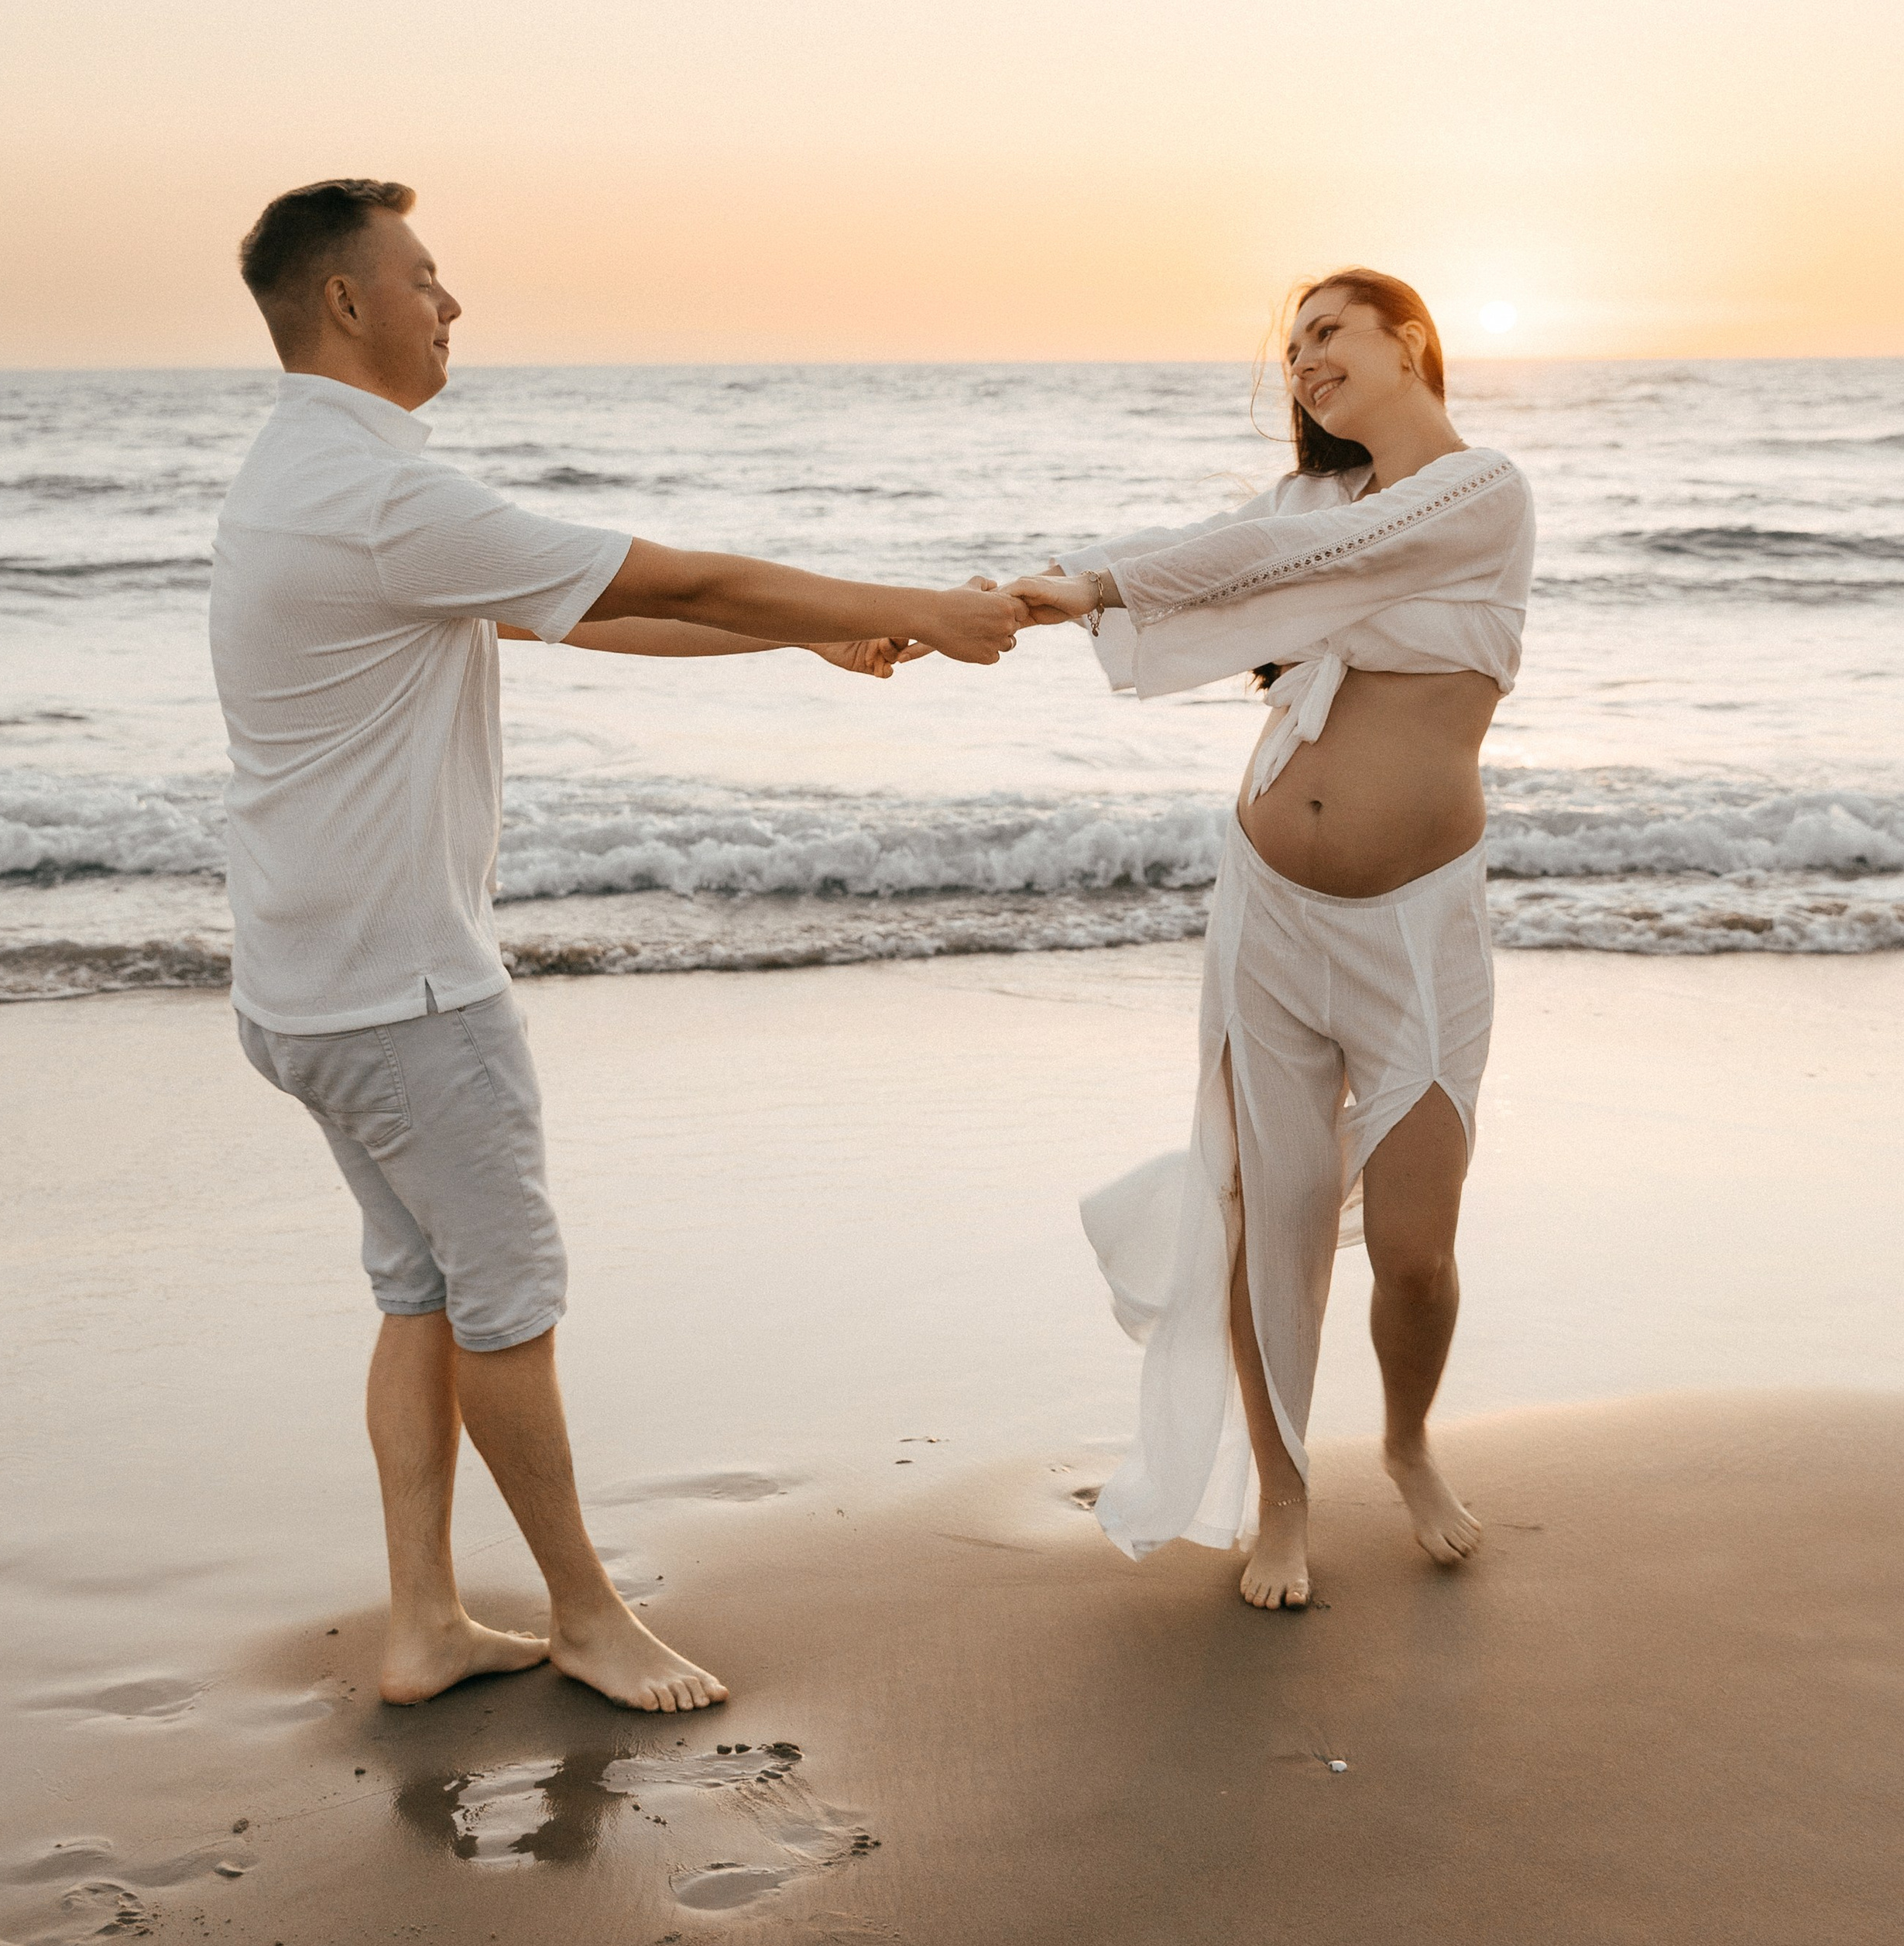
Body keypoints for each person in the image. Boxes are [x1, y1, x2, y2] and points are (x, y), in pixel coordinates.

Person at [211, 177, 1021, 1709]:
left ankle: (426, 1622)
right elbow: (677, 575)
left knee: (420, 1294)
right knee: (505, 1308)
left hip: (303, 989)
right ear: (346, 301)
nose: (451, 304)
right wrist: (924, 604)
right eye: (425, 277)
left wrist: (810, 633)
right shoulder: (379, 497)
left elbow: (570, 613)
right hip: (407, 999)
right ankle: (585, 1616)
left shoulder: (299, 477)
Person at [1005, 270, 1535, 1609]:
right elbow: (1218, 549)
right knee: (1270, 1219)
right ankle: (1284, 1499)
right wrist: (1017, 599)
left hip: (1417, 929)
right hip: (1270, 913)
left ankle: (1405, 1444)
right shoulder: (1305, 502)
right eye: (1291, 348)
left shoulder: (1481, 492)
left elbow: (1296, 566)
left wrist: (1088, 585)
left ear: (1410, 342)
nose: (1302, 362)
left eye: (1327, 334)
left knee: (1414, 1249)